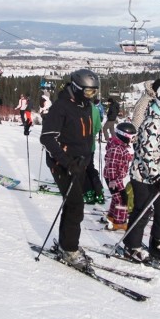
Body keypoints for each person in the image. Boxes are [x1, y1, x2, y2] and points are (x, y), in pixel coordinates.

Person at [40, 68, 100, 270]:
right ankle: (69, 248)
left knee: (73, 204)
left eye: (94, 92)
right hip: (63, 164)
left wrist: (86, 159)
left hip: (80, 163)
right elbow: (47, 137)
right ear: (76, 87)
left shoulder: (85, 105)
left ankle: (67, 243)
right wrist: (67, 162)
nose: (92, 95)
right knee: (76, 206)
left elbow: (86, 136)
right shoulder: (61, 107)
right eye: (89, 91)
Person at [120, 83, 160, 262]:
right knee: (142, 211)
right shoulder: (151, 123)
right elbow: (146, 154)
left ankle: (157, 245)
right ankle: (131, 246)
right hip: (143, 176)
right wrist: (156, 176)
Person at [102, 122, 136, 231]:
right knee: (122, 199)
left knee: (116, 198)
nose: (133, 140)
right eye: (132, 137)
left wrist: (134, 157)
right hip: (114, 179)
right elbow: (111, 165)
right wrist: (114, 182)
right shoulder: (116, 148)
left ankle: (112, 216)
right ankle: (119, 222)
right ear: (124, 136)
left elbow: (124, 156)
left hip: (116, 178)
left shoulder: (119, 146)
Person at [82, 98, 106, 205]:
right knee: (90, 167)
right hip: (90, 144)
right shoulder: (95, 110)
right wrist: (92, 135)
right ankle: (98, 191)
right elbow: (98, 127)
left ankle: (88, 192)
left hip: (81, 144)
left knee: (82, 168)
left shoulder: (80, 109)